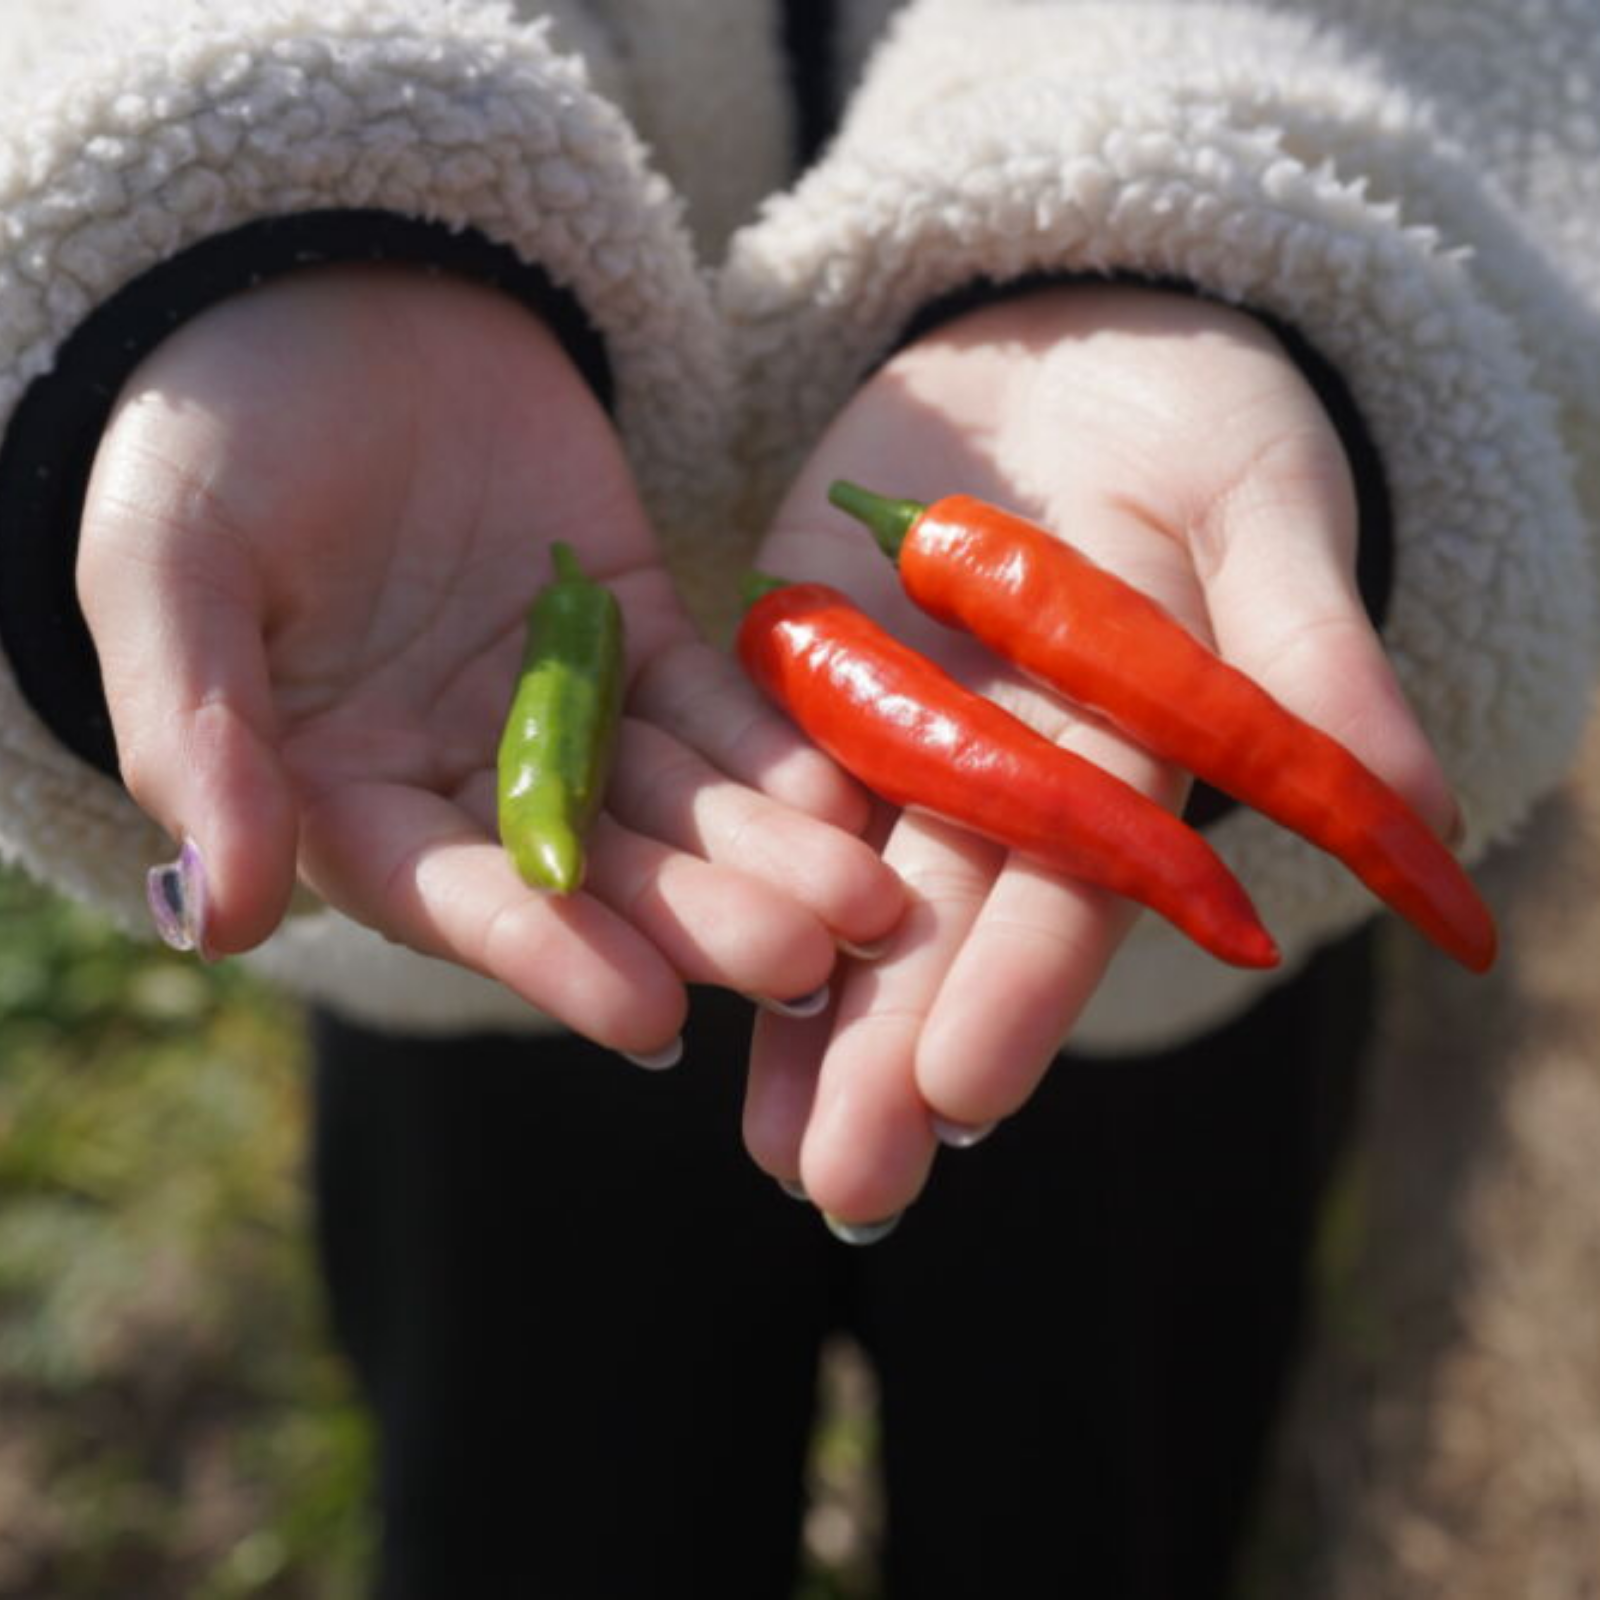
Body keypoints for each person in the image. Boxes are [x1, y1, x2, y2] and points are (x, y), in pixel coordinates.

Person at [0, 2, 1595, 1595]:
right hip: (469, 892)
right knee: (549, 1518)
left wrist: (1178, 219)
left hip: (1120, 975)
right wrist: (272, 212)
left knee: (1089, 1516)